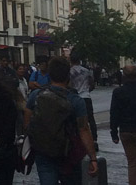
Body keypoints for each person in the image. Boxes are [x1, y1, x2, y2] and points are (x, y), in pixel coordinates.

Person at [25, 55, 98, 185]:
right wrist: (93, 158)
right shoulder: (76, 101)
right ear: (67, 76)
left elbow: (27, 120)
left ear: (49, 74)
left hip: (43, 150)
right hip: (69, 153)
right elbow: (84, 130)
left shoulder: (36, 96)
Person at [68, 53, 98, 152]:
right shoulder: (87, 71)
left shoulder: (69, 72)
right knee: (90, 119)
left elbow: (68, 85)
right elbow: (92, 84)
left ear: (71, 60)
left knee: (75, 120)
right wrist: (87, 90)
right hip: (86, 96)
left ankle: (77, 139)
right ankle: (94, 139)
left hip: (75, 97)